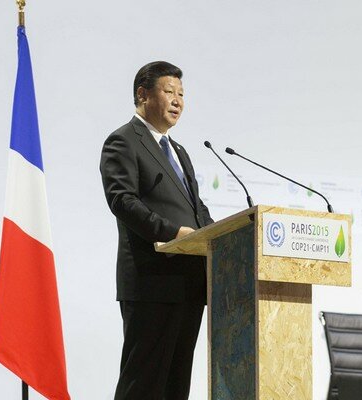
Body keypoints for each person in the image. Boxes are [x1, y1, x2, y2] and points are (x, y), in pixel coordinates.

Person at [100, 61, 214, 400]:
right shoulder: (123, 141)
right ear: (142, 94)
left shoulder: (179, 152)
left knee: (175, 386)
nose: (177, 100)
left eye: (181, 94)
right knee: (143, 384)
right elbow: (122, 201)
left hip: (188, 283)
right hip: (151, 282)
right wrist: (173, 233)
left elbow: (197, 209)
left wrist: (215, 236)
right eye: (169, 92)